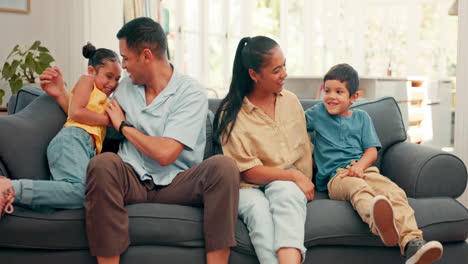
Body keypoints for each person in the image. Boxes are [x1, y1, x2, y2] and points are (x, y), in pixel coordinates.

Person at [37, 17, 240, 264]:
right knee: (104, 164)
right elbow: (88, 114)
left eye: (126, 58)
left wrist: (123, 126)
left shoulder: (190, 92)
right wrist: (61, 95)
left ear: (146, 56)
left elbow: (166, 153)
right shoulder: (124, 90)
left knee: (224, 167)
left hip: (177, 182)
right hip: (131, 178)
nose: (123, 66)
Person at [304, 63, 443, 264]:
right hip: (337, 177)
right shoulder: (317, 113)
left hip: (365, 170)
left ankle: (413, 244)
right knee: (358, 188)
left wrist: (359, 167)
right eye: (327, 90)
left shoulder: (362, 118)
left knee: (395, 192)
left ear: (354, 97)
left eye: (339, 91)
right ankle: (379, 225)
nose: (331, 96)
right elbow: (292, 124)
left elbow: (371, 151)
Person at [214, 36, 314, 264]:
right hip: (248, 187)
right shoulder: (232, 112)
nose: (285, 74)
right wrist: (293, 175)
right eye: (276, 70)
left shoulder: (290, 101)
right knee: (258, 213)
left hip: (288, 184)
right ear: (254, 75)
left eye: (285, 66)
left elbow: (304, 154)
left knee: (285, 193)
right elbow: (247, 172)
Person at [0, 43, 121, 215]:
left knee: (53, 205)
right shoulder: (87, 81)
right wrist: (110, 121)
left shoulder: (103, 99)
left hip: (83, 147)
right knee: (80, 193)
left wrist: (60, 94)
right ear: (92, 71)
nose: (113, 83)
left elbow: (73, 111)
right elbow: (76, 112)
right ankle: (9, 187)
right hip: (73, 139)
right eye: (108, 76)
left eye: (117, 78)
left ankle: (9, 199)